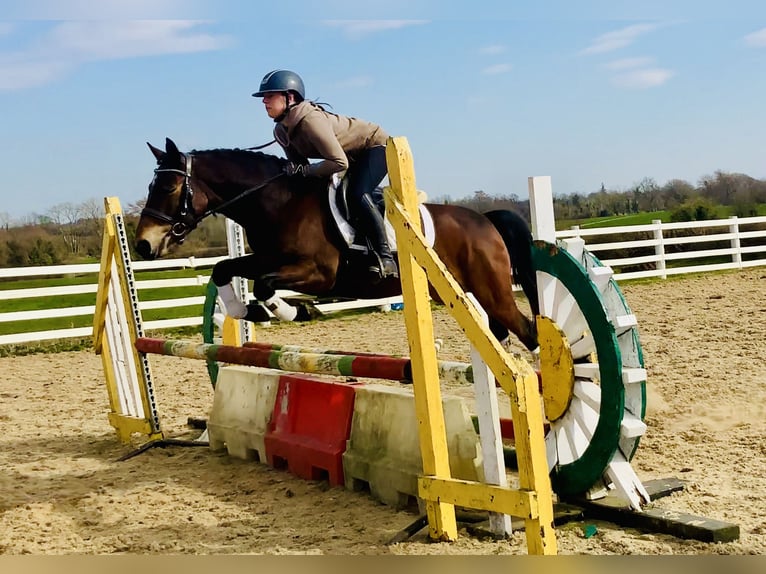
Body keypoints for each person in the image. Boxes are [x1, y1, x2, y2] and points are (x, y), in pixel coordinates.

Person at [252, 69, 398, 281]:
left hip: (376, 146)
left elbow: (339, 162)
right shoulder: (281, 131)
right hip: (348, 154)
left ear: (290, 97)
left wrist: (306, 171)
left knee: (357, 194)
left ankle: (386, 258)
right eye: (264, 97)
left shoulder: (311, 120)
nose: (264, 101)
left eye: (270, 95)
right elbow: (299, 168)